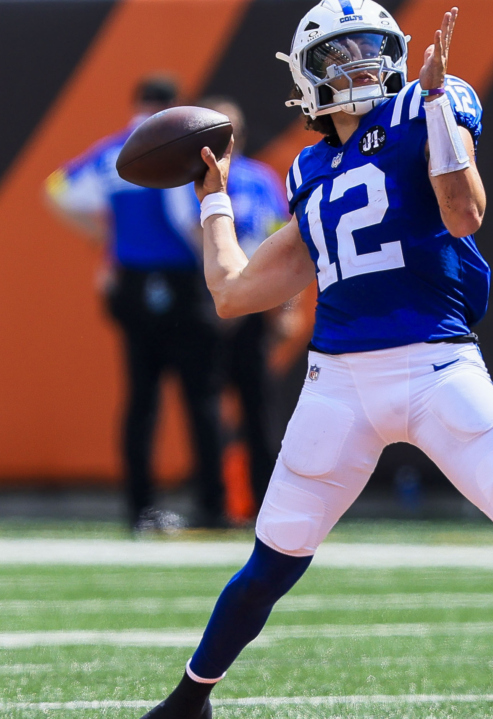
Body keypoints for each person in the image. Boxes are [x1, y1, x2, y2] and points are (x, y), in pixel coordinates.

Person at [139, 3, 493, 717]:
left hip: (437, 366)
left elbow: (464, 214)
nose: (358, 62)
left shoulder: (430, 106)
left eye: (370, 47)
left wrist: (433, 108)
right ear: (307, 75)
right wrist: (215, 202)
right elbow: (233, 291)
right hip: (340, 381)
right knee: (271, 562)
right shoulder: (308, 166)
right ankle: (189, 699)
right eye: (339, 52)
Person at [46, 75, 224, 533]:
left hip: (132, 281)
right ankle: (213, 504)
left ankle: (139, 508)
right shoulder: (180, 145)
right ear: (174, 105)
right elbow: (187, 218)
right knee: (200, 397)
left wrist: (109, 239)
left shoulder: (112, 151)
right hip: (181, 280)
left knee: (141, 401)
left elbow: (57, 190)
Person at [196, 96, 292, 512]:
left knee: (259, 411)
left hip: (252, 309)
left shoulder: (260, 180)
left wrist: (285, 309)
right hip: (199, 310)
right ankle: (212, 505)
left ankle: (266, 507)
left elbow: (286, 248)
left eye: (231, 131)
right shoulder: (185, 182)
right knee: (203, 409)